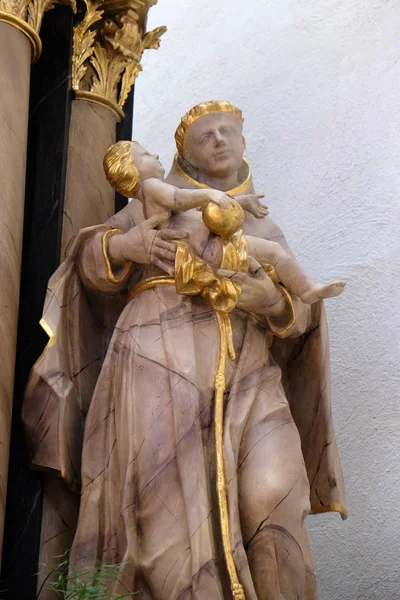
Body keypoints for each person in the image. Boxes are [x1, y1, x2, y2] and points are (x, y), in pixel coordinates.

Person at [23, 101, 346, 600]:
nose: (219, 140)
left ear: (243, 141)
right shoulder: (160, 202)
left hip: (250, 378)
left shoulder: (261, 225)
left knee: (273, 494)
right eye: (204, 136)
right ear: (185, 157)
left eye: (227, 131)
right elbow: (88, 257)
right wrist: (122, 249)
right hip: (159, 363)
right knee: (166, 515)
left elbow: (299, 316)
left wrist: (270, 301)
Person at [103, 140, 346, 304]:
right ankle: (306, 289)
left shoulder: (156, 195)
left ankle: (305, 290)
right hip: (209, 250)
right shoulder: (151, 187)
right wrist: (210, 193)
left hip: (209, 247)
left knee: (270, 255)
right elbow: (179, 198)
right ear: (132, 170)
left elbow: (204, 210)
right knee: (273, 252)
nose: (155, 154)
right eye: (145, 154)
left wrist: (240, 202)